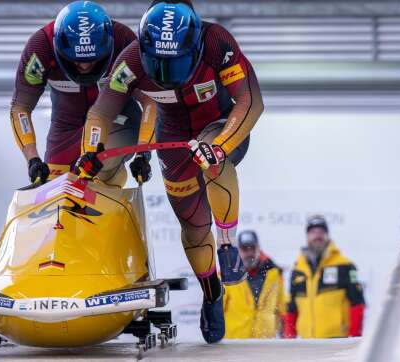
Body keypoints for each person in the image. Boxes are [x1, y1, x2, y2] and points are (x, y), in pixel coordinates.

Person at [76, 0, 264, 343]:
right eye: (158, 63)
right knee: (192, 227)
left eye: (175, 61)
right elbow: (101, 112)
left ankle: (227, 242)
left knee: (211, 160)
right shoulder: (131, 61)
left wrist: (221, 144)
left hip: (221, 126)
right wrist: (91, 150)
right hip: (173, 137)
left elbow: (250, 101)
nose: (166, 72)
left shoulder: (217, 42)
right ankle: (212, 294)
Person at [10, 1, 156, 186]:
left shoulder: (124, 42)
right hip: (66, 126)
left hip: (118, 121)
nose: (85, 66)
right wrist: (33, 159)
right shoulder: (40, 49)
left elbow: (151, 99)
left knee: (95, 168)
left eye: (93, 59)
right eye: (76, 61)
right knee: (55, 187)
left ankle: (110, 180)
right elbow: (20, 107)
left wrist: (143, 152)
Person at [283, 215, 366, 338]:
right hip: (306, 343)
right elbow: (291, 310)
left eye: (321, 232)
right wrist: (289, 341)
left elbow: (357, 304)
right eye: (313, 232)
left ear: (327, 235)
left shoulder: (344, 265)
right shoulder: (298, 270)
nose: (317, 236)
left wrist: (353, 339)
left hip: (337, 342)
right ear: (307, 236)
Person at [223, 230, 286, 338]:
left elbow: (282, 309)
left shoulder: (274, 274)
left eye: (252, 248)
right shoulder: (226, 277)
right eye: (244, 249)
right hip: (235, 345)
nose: (249, 253)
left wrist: (285, 335)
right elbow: (218, 312)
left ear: (259, 249)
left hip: (265, 344)